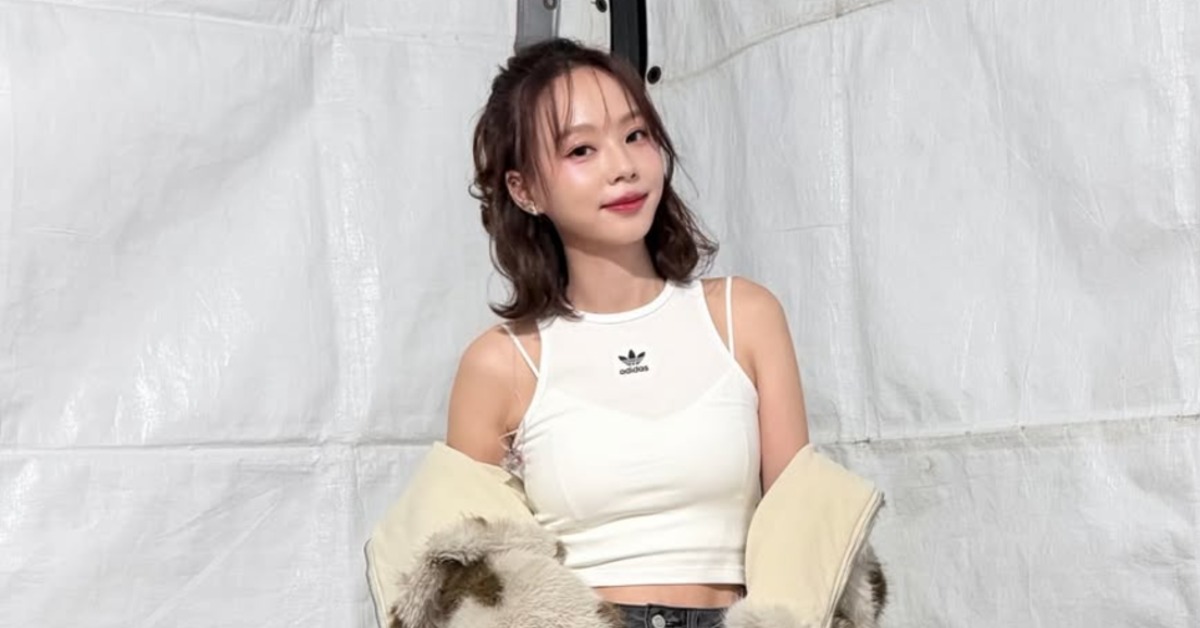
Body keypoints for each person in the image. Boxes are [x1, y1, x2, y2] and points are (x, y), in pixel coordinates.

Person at [365, 38, 886, 628]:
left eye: (635, 134)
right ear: (524, 190)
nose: (623, 166)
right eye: (581, 149)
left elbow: (801, 532)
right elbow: (465, 569)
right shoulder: (500, 363)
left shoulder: (746, 315)